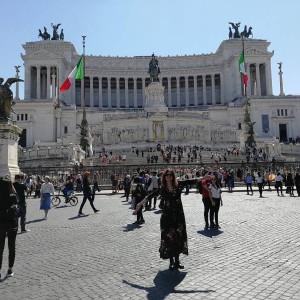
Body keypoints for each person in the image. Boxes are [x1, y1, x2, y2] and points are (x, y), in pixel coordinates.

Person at [159, 169, 188, 270]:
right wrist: (141, 203)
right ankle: (171, 261)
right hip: (167, 217)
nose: (168, 176)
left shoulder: (178, 185)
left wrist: (203, 178)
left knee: (178, 237)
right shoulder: (162, 188)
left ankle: (177, 260)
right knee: (169, 238)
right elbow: (151, 195)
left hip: (178, 216)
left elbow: (190, 181)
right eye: (167, 175)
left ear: (173, 176)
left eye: (170, 175)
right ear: (164, 177)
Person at [0, 178, 18, 278]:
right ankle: (10, 269)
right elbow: (16, 201)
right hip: (11, 221)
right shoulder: (9, 185)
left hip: (0, 222)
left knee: (0, 247)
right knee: (11, 246)